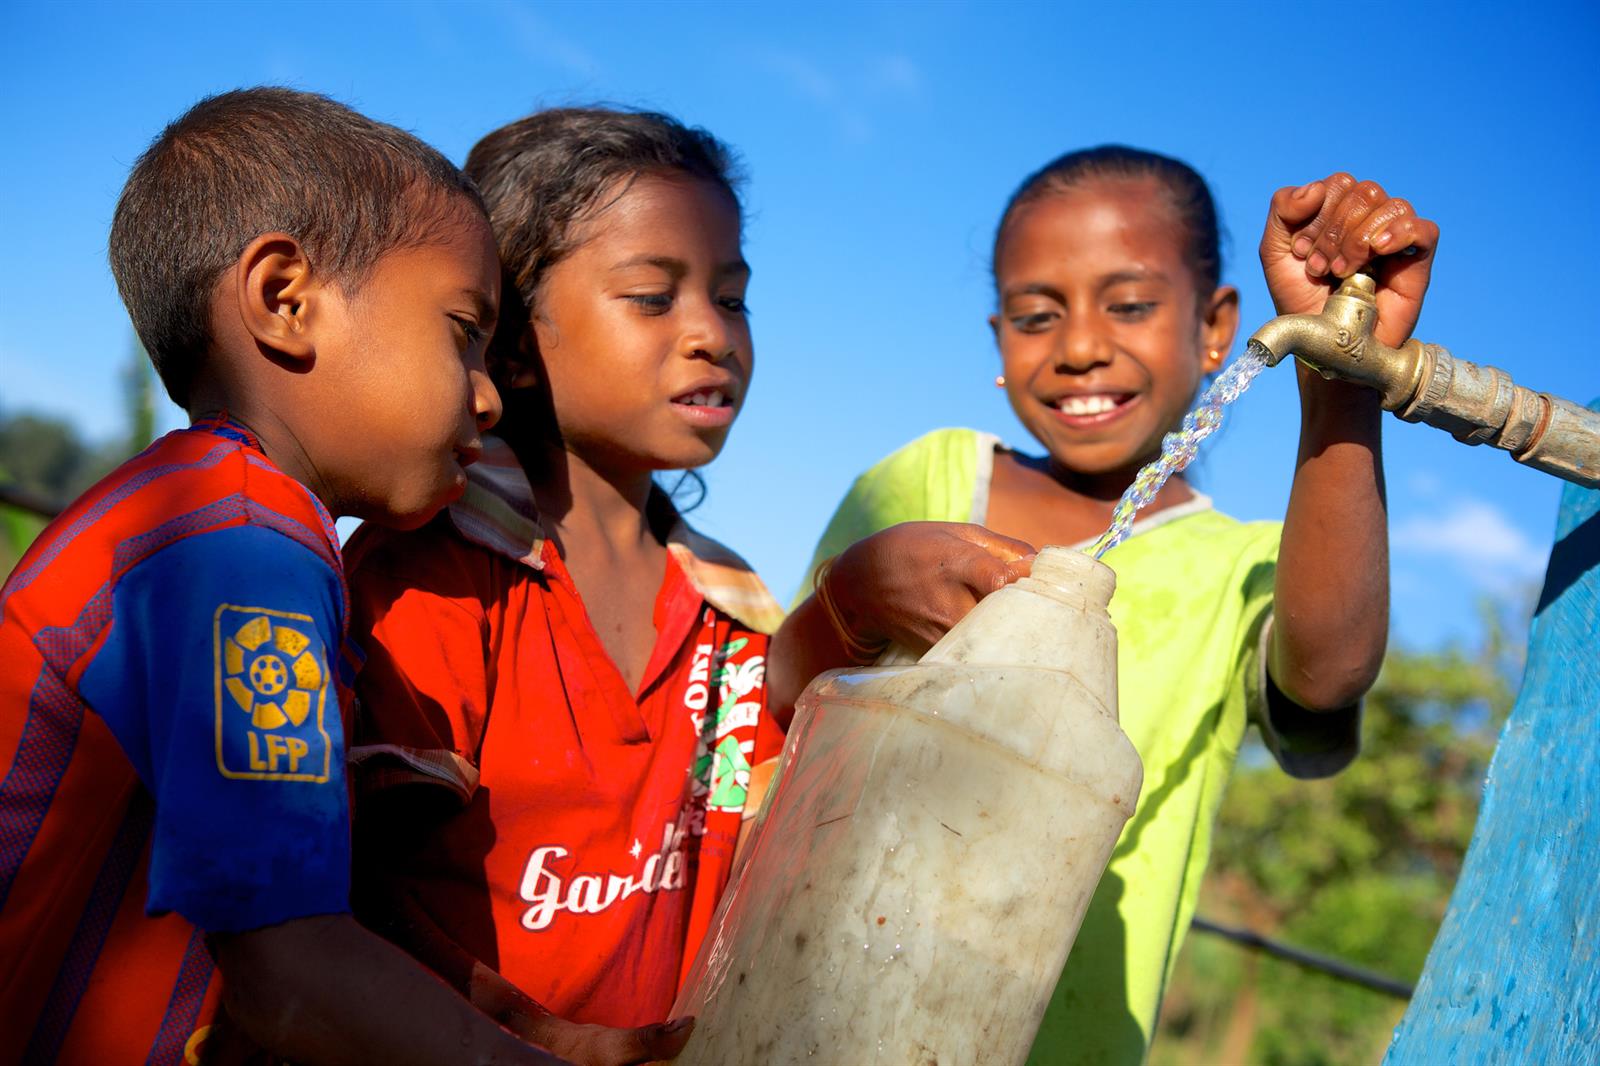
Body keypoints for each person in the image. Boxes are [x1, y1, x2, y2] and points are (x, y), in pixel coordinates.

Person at [344, 107, 1035, 1065]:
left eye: (733, 297)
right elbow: (342, 882)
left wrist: (856, 601)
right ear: (508, 340)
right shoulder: (439, 572)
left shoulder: (725, 606)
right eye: (652, 296)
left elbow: (756, 766)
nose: (713, 334)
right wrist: (529, 1039)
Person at [799, 146, 1438, 1064]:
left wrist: (1341, 371)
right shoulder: (925, 483)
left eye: (1130, 304)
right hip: (808, 1004)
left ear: (1218, 327)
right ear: (997, 338)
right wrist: (857, 596)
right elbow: (769, 712)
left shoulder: (1245, 567)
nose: (1081, 346)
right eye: (1034, 316)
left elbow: (1327, 672)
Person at [0, 87, 574, 1064]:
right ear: (285, 300)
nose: (486, 396)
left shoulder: (208, 518)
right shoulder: (239, 544)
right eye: (463, 329)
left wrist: (521, 1029)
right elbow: (290, 970)